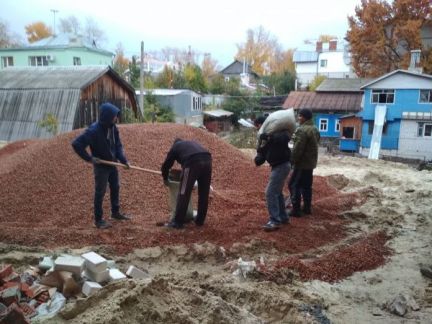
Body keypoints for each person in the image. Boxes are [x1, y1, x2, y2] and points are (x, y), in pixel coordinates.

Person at [72, 103, 131, 229]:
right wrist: (89, 158)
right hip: (101, 166)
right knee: (100, 192)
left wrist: (123, 160)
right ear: (108, 117)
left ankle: (115, 213)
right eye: (115, 116)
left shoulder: (113, 128)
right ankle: (98, 220)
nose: (116, 118)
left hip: (112, 163)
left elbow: (118, 146)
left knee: (115, 186)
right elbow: (76, 144)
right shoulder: (93, 131)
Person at [161, 138, 212, 229]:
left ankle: (177, 222)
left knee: (183, 192)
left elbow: (166, 165)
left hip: (192, 161)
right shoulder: (190, 143)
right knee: (204, 192)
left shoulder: (175, 147)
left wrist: (165, 178)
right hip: (208, 159)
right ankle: (200, 220)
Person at [254, 116, 291, 232]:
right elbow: (262, 155)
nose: (257, 129)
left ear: (263, 124)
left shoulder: (280, 133)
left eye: (258, 126)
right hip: (277, 166)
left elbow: (285, 138)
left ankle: (275, 221)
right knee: (277, 193)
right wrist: (258, 157)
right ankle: (283, 217)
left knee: (270, 193)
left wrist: (269, 137)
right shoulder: (264, 139)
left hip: (282, 165)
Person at [288, 108, 320, 217]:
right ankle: (307, 208)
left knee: (293, 185)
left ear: (304, 117)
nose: (298, 118)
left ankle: (296, 210)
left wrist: (291, 161)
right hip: (310, 163)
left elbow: (298, 149)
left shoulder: (302, 130)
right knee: (306, 186)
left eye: (300, 116)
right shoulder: (314, 128)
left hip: (302, 164)